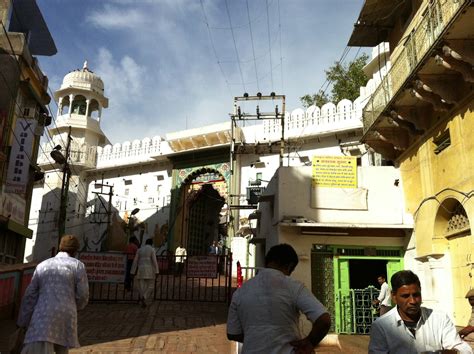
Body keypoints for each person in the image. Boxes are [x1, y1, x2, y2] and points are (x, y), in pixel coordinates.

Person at [227, 243, 331, 354]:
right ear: (289, 266)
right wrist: (309, 342)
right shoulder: (294, 287)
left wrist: (257, 338)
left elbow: (232, 333)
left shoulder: (241, 292)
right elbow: (324, 320)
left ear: (267, 262)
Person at [368, 270, 472, 354]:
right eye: (405, 296)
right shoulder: (381, 326)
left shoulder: (439, 318)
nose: (412, 301)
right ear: (394, 297)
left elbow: (464, 349)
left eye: (416, 295)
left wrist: (450, 353)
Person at [17, 235, 89, 354]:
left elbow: (30, 296)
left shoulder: (42, 265)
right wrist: (75, 306)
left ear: (60, 248)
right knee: (62, 348)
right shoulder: (77, 265)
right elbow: (83, 294)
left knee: (42, 346)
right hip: (67, 313)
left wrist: (22, 321)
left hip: (42, 315)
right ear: (75, 251)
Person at [131, 238, 159, 307]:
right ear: (151, 243)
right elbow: (154, 261)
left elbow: (135, 261)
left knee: (141, 286)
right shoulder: (152, 250)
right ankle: (144, 296)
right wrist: (157, 271)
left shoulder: (139, 250)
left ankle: (143, 296)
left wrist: (132, 271)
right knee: (151, 286)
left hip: (141, 269)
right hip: (149, 270)